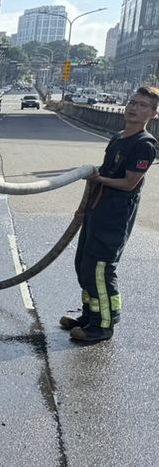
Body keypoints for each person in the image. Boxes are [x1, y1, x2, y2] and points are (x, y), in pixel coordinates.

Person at [60, 86, 159, 343]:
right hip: (97, 210)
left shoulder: (144, 144)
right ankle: (90, 315)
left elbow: (129, 183)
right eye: (132, 102)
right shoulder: (118, 137)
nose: (134, 108)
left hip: (114, 216)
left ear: (153, 114)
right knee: (84, 264)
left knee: (100, 268)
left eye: (142, 106)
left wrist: (97, 178)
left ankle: (102, 326)